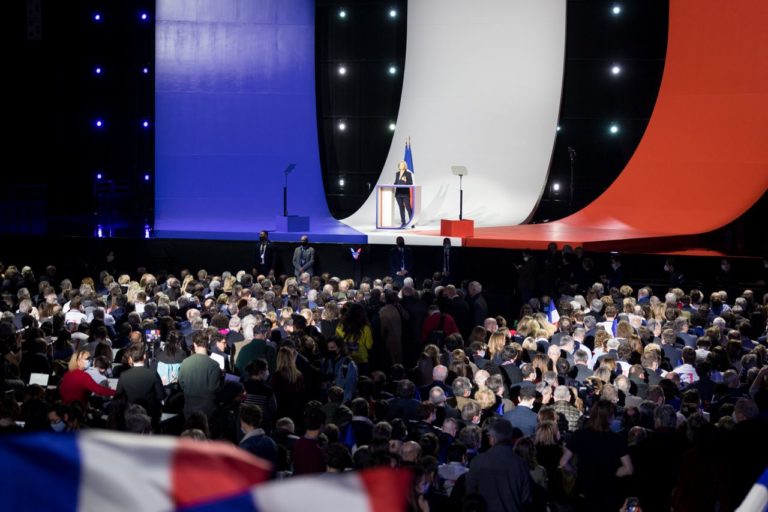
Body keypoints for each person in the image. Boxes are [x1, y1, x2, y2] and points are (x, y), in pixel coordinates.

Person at [464, 419, 533, 511]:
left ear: (492, 439)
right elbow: (526, 498)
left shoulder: (478, 461)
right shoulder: (521, 464)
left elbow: (470, 494)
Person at [178, 331, 222, 419]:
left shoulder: (185, 362)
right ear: (208, 344)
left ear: (194, 344)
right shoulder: (214, 365)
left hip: (189, 407)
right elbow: (214, 388)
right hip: (208, 410)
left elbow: (181, 383)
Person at [394, 160, 413, 228]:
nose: (401, 166)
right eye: (400, 164)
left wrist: (405, 181)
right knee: (401, 208)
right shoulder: (397, 173)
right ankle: (403, 222)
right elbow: (396, 182)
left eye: (402, 165)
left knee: (408, 208)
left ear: (405, 166)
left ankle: (411, 222)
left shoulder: (408, 174)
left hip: (405, 193)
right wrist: (392, 184)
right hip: (398, 194)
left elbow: (410, 183)